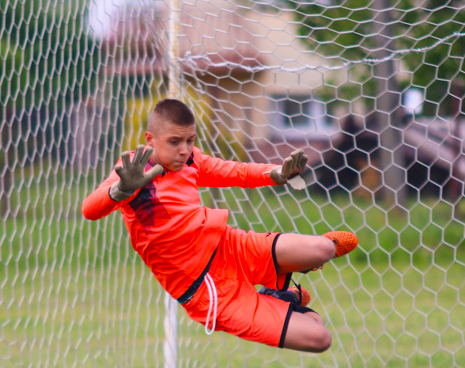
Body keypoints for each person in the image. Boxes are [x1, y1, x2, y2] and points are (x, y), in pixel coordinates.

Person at [81, 99, 357, 353]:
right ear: (150, 139)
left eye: (190, 140)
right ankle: (282, 297)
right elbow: (89, 209)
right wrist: (119, 190)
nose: (184, 150)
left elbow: (233, 171)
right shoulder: (132, 170)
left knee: (322, 248)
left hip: (229, 246)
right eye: (175, 141)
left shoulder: (190, 160)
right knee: (320, 337)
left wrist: (276, 174)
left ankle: (280, 289)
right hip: (205, 288)